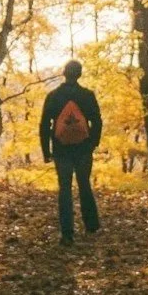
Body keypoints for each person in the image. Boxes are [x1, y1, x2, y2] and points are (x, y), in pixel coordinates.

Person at [38, 59, 103, 243]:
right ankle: (91, 226)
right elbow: (97, 121)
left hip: (61, 149)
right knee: (84, 184)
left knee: (65, 188)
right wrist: (93, 143)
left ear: (64, 73)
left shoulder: (53, 96)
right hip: (83, 148)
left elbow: (44, 125)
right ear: (79, 74)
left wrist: (46, 151)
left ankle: (67, 233)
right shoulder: (87, 95)